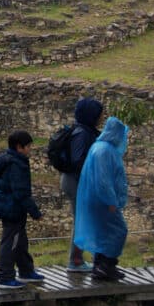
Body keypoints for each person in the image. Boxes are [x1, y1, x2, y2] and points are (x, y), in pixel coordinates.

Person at [73, 116, 130, 281]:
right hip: (103, 202)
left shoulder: (100, 148)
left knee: (103, 232)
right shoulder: (104, 151)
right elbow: (103, 180)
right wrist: (111, 200)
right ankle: (106, 265)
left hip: (97, 200)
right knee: (119, 230)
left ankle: (101, 266)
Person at [0, 131, 45, 289]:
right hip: (11, 208)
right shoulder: (16, 165)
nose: (30, 150)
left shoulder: (10, 161)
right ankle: (5, 277)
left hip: (9, 206)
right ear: (19, 147)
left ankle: (26, 270)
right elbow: (21, 192)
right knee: (11, 242)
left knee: (20, 240)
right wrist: (35, 212)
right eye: (28, 146)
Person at [61, 97, 104, 272]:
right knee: (81, 221)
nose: (101, 118)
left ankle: (81, 259)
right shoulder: (82, 134)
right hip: (75, 182)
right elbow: (78, 160)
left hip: (78, 181)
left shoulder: (87, 131)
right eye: (99, 115)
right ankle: (75, 261)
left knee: (84, 220)